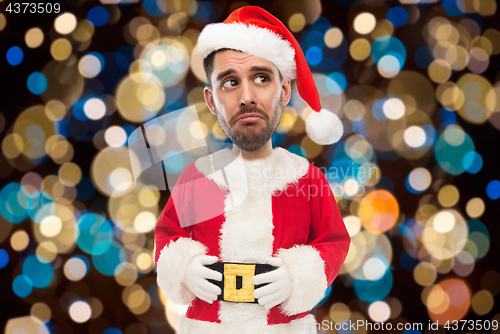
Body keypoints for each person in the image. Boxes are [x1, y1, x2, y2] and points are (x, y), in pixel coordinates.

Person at [154, 6, 350, 334]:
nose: (247, 97)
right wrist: (184, 268)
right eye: (230, 82)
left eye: (261, 78)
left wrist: (297, 276)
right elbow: (168, 236)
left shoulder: (306, 179)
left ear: (284, 91)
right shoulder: (199, 179)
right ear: (212, 100)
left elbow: (333, 242)